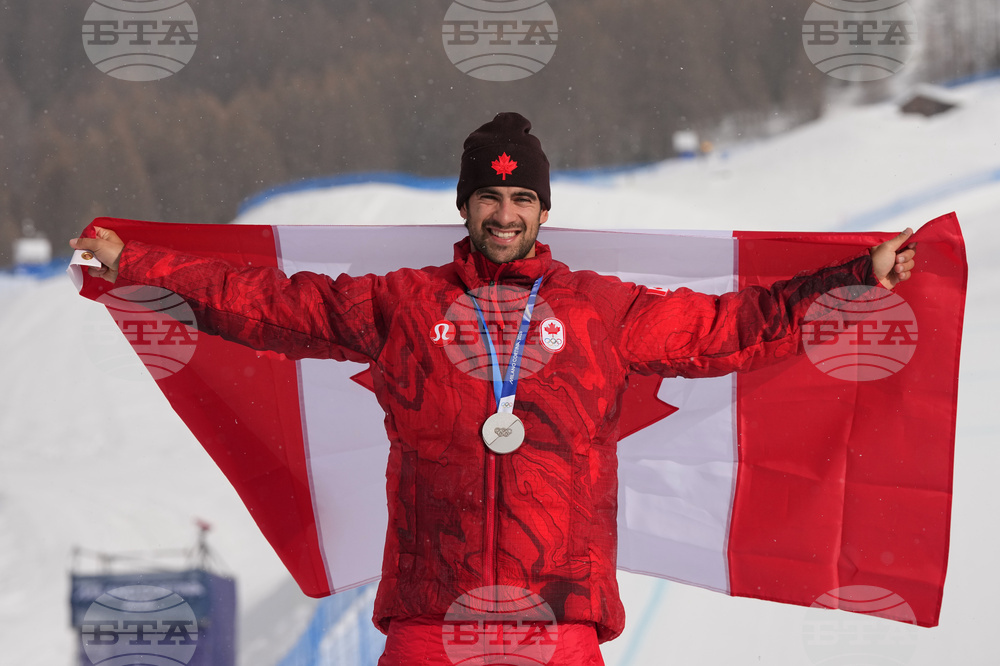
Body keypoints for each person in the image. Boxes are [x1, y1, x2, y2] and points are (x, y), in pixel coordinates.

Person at [71, 112, 916, 665]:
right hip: (431, 621)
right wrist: (135, 264)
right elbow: (264, 303)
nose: (504, 214)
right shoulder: (403, 306)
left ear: (544, 211)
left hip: (560, 622)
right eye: (488, 196)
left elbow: (732, 326)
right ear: (464, 206)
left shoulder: (600, 312)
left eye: (520, 198)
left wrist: (854, 280)